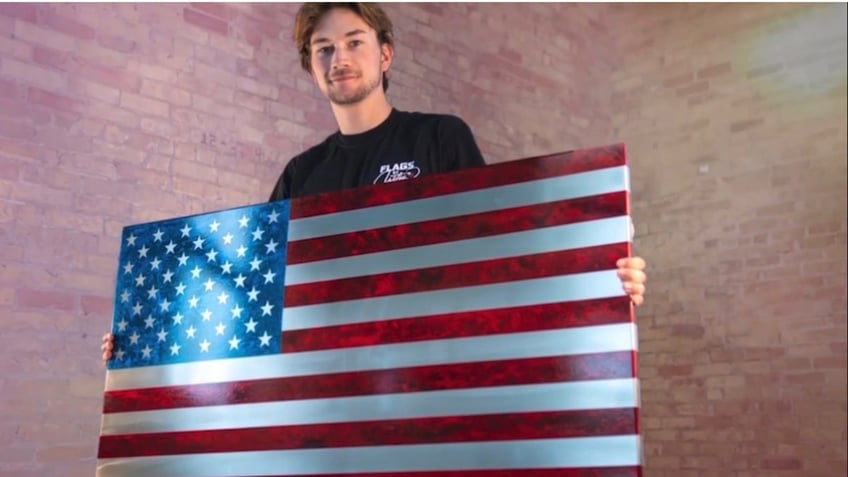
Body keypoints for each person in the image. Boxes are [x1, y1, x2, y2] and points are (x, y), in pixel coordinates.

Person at [102, 2, 647, 361]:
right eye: (323, 49)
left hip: (430, 377)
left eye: (353, 41)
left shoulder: (439, 138)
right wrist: (145, 337)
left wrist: (597, 276)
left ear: (385, 54)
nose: (338, 57)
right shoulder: (301, 174)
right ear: (311, 68)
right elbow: (252, 291)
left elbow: (500, 252)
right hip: (330, 390)